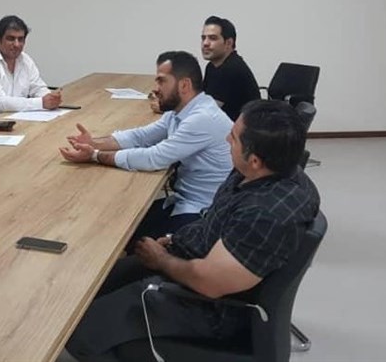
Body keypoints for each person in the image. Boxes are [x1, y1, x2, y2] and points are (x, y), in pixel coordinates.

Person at [65, 100, 320, 361]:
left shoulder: (265, 213)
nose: (226, 139)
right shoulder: (259, 172)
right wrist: (173, 239)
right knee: (88, 289)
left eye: (233, 138)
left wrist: (162, 260)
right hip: (192, 257)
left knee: (75, 329)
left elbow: (209, 283)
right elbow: (215, 220)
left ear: (255, 160)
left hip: (210, 306)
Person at [59, 51, 232, 240]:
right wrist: (95, 143)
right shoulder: (180, 111)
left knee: (120, 234)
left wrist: (95, 155)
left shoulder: (202, 118)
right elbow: (140, 137)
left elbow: (153, 158)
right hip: (183, 199)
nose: (155, 89)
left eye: (161, 81)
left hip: (204, 212)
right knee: (120, 223)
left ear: (184, 85)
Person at [0, 15, 62, 120]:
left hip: (11, 119)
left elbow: (37, 87)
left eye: (21, 39)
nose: (17, 44)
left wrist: (50, 98)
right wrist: (41, 103)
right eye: (11, 39)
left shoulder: (25, 60)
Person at [202, 15, 261, 121]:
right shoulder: (212, 66)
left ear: (228, 43)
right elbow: (201, 102)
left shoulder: (231, 69)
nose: (205, 43)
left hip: (244, 129)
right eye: (203, 38)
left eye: (212, 38)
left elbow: (207, 113)